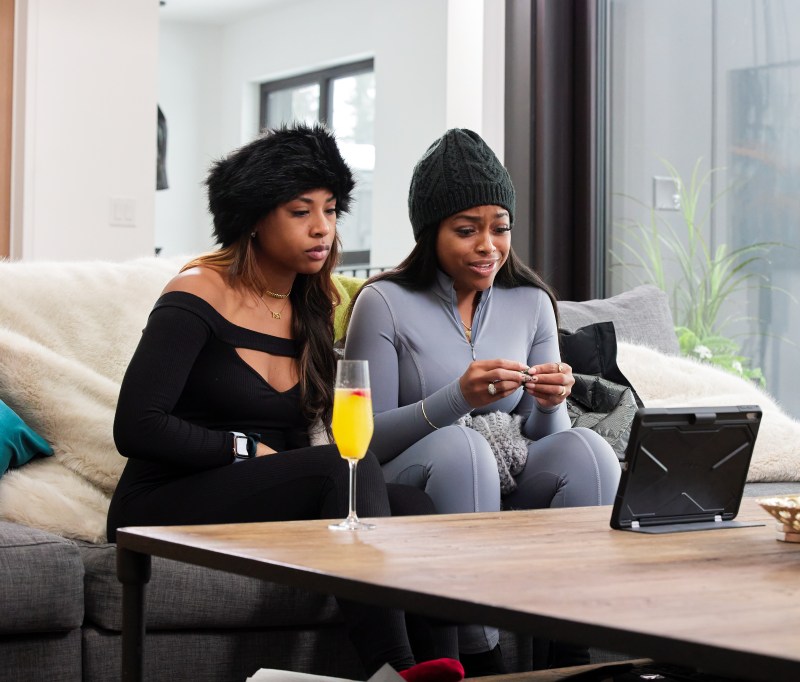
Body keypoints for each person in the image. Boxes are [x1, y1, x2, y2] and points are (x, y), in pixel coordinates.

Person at [107, 123, 463, 682]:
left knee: (416, 508)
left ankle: (449, 670)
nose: (323, 229)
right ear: (253, 218)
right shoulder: (197, 293)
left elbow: (299, 442)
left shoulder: (311, 305)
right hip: (165, 499)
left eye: (331, 210)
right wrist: (244, 449)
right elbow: (137, 426)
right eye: (301, 211)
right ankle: (390, 671)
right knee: (344, 468)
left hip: (252, 497)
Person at [343, 128, 621, 674]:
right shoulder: (383, 303)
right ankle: (481, 654)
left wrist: (549, 403)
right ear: (430, 232)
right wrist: (456, 399)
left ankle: (575, 649)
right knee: (459, 449)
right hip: (419, 472)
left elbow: (544, 439)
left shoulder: (531, 303)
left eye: (500, 229)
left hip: (510, 474)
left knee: (587, 448)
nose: (487, 246)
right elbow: (367, 442)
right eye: (467, 230)